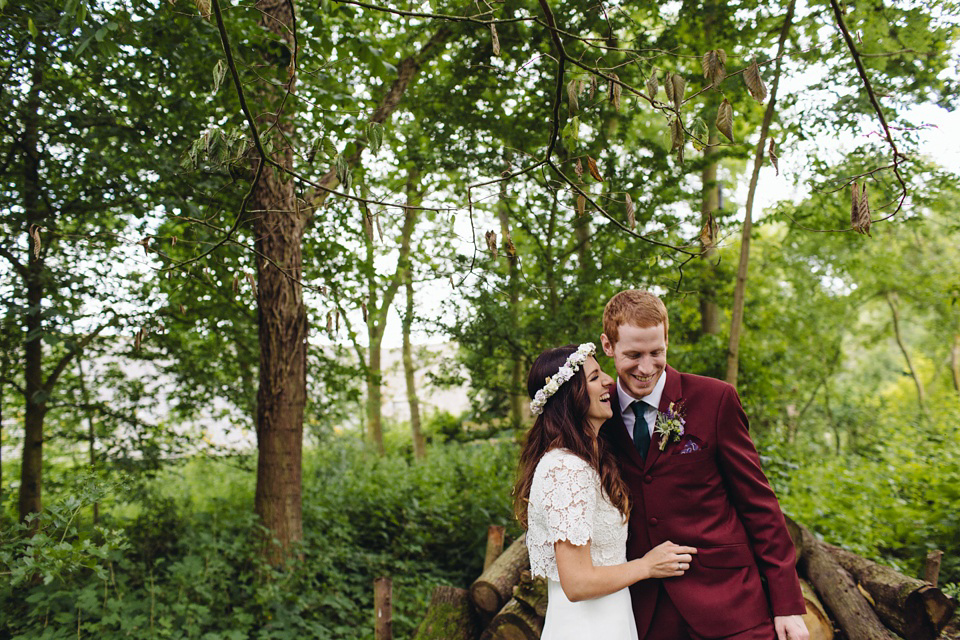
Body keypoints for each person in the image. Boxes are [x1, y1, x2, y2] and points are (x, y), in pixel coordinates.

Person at [599, 290, 809, 640]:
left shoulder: (715, 399)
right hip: (642, 612)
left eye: (657, 352)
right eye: (633, 355)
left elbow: (758, 505)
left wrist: (786, 604)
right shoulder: (595, 415)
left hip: (730, 601)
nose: (647, 367)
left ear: (667, 339)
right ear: (608, 346)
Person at [514, 343, 698, 640]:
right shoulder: (566, 470)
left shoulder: (587, 462)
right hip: (586, 628)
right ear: (569, 397)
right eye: (595, 377)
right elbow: (577, 584)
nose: (609, 381)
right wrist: (647, 566)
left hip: (610, 620)